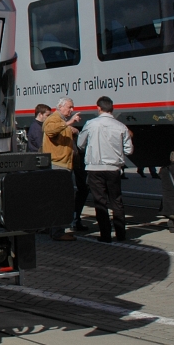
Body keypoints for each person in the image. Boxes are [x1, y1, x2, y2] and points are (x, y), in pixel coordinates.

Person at [77, 96, 133, 242]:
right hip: (113, 167)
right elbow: (129, 150)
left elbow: (80, 144)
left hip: (94, 167)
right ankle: (121, 234)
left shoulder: (90, 124)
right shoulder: (121, 126)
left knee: (100, 201)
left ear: (98, 108)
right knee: (116, 201)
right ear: (112, 109)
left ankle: (105, 235)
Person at [43, 97, 81, 241]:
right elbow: (50, 130)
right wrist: (69, 124)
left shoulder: (59, 120)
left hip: (64, 164)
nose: (72, 110)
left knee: (59, 199)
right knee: (61, 199)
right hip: (58, 165)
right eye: (70, 107)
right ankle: (58, 232)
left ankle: (54, 229)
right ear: (60, 107)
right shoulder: (54, 119)